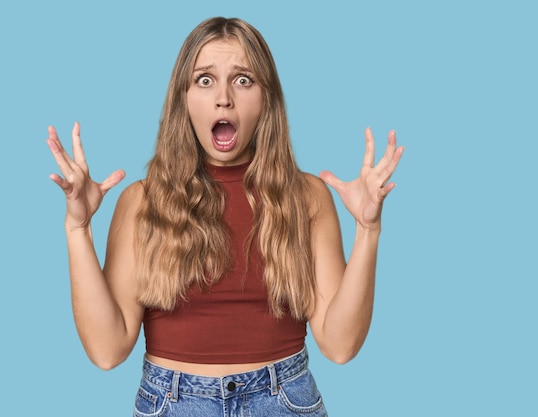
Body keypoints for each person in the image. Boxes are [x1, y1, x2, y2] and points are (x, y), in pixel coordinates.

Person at [46, 17, 403, 417]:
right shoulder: (142, 203)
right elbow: (107, 350)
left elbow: (340, 345)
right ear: (183, 97)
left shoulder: (306, 197)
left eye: (243, 80)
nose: (223, 99)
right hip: (173, 402)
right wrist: (77, 228)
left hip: (284, 400)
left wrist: (368, 229)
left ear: (266, 97)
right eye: (204, 80)